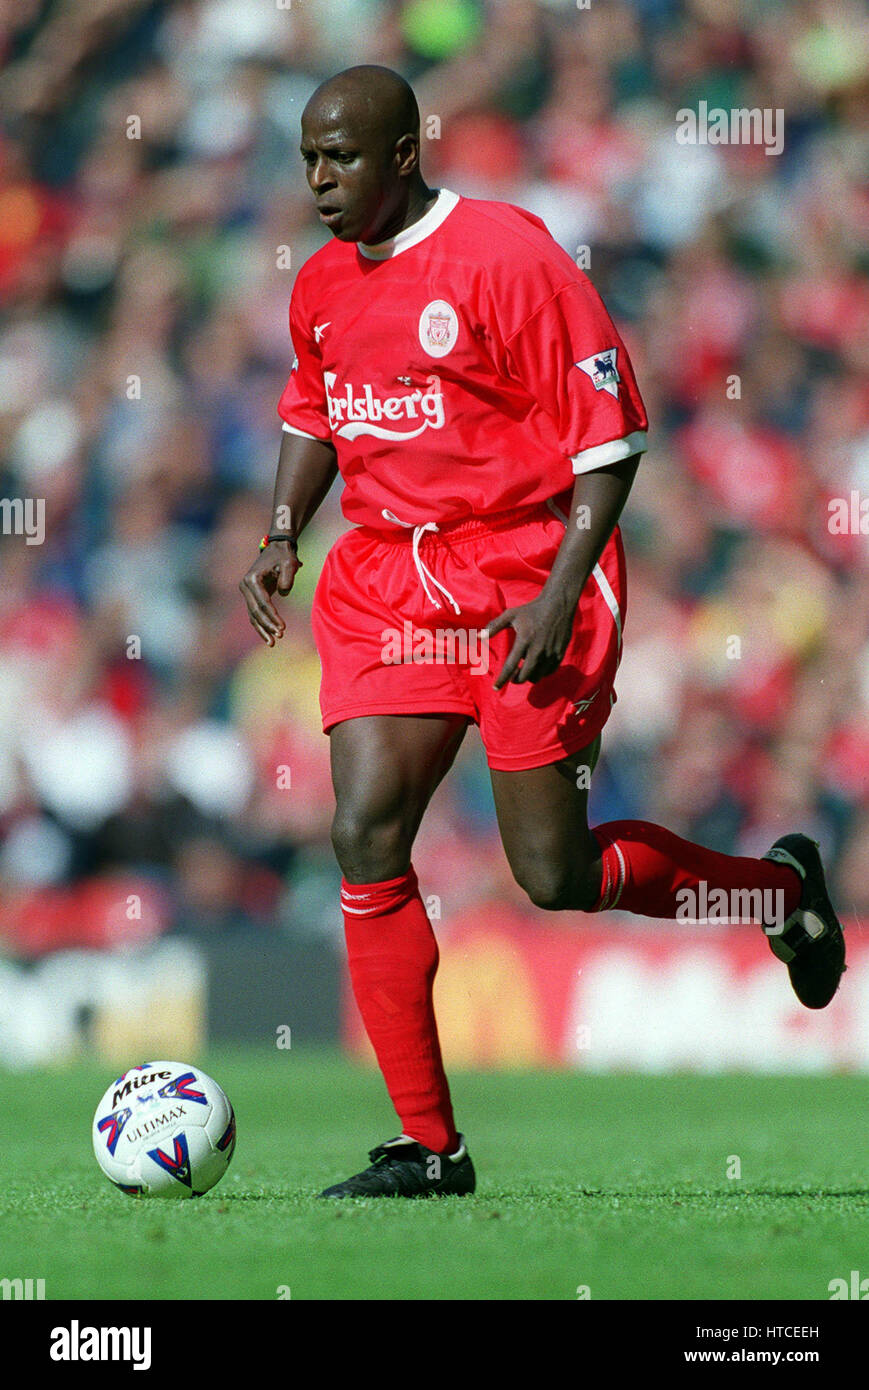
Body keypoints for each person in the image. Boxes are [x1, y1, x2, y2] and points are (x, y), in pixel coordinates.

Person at [240, 65, 845, 1199]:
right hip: (387, 584)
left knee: (553, 875)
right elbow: (313, 410)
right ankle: (429, 1149)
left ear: (403, 156)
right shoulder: (319, 283)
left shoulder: (509, 256)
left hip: (526, 570)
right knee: (366, 831)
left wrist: (563, 588)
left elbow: (608, 438)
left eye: (342, 158)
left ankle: (775, 892)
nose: (319, 180)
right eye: (309, 159)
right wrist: (282, 530)